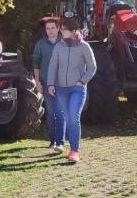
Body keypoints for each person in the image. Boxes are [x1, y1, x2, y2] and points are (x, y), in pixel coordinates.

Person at [47, 18, 96, 163]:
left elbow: (92, 67)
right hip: (61, 89)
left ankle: (75, 151)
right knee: (68, 118)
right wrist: (50, 84)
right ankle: (68, 146)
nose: (61, 32)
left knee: (74, 117)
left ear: (73, 31)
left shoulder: (84, 47)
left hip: (77, 89)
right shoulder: (58, 47)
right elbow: (53, 66)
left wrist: (82, 81)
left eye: (64, 29)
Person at [33, 17, 63, 152]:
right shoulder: (40, 44)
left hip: (62, 83)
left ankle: (60, 142)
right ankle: (53, 140)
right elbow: (36, 63)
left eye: (52, 28)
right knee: (51, 112)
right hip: (46, 82)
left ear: (58, 28)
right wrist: (37, 81)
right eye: (47, 28)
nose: (50, 31)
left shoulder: (65, 42)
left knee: (60, 112)